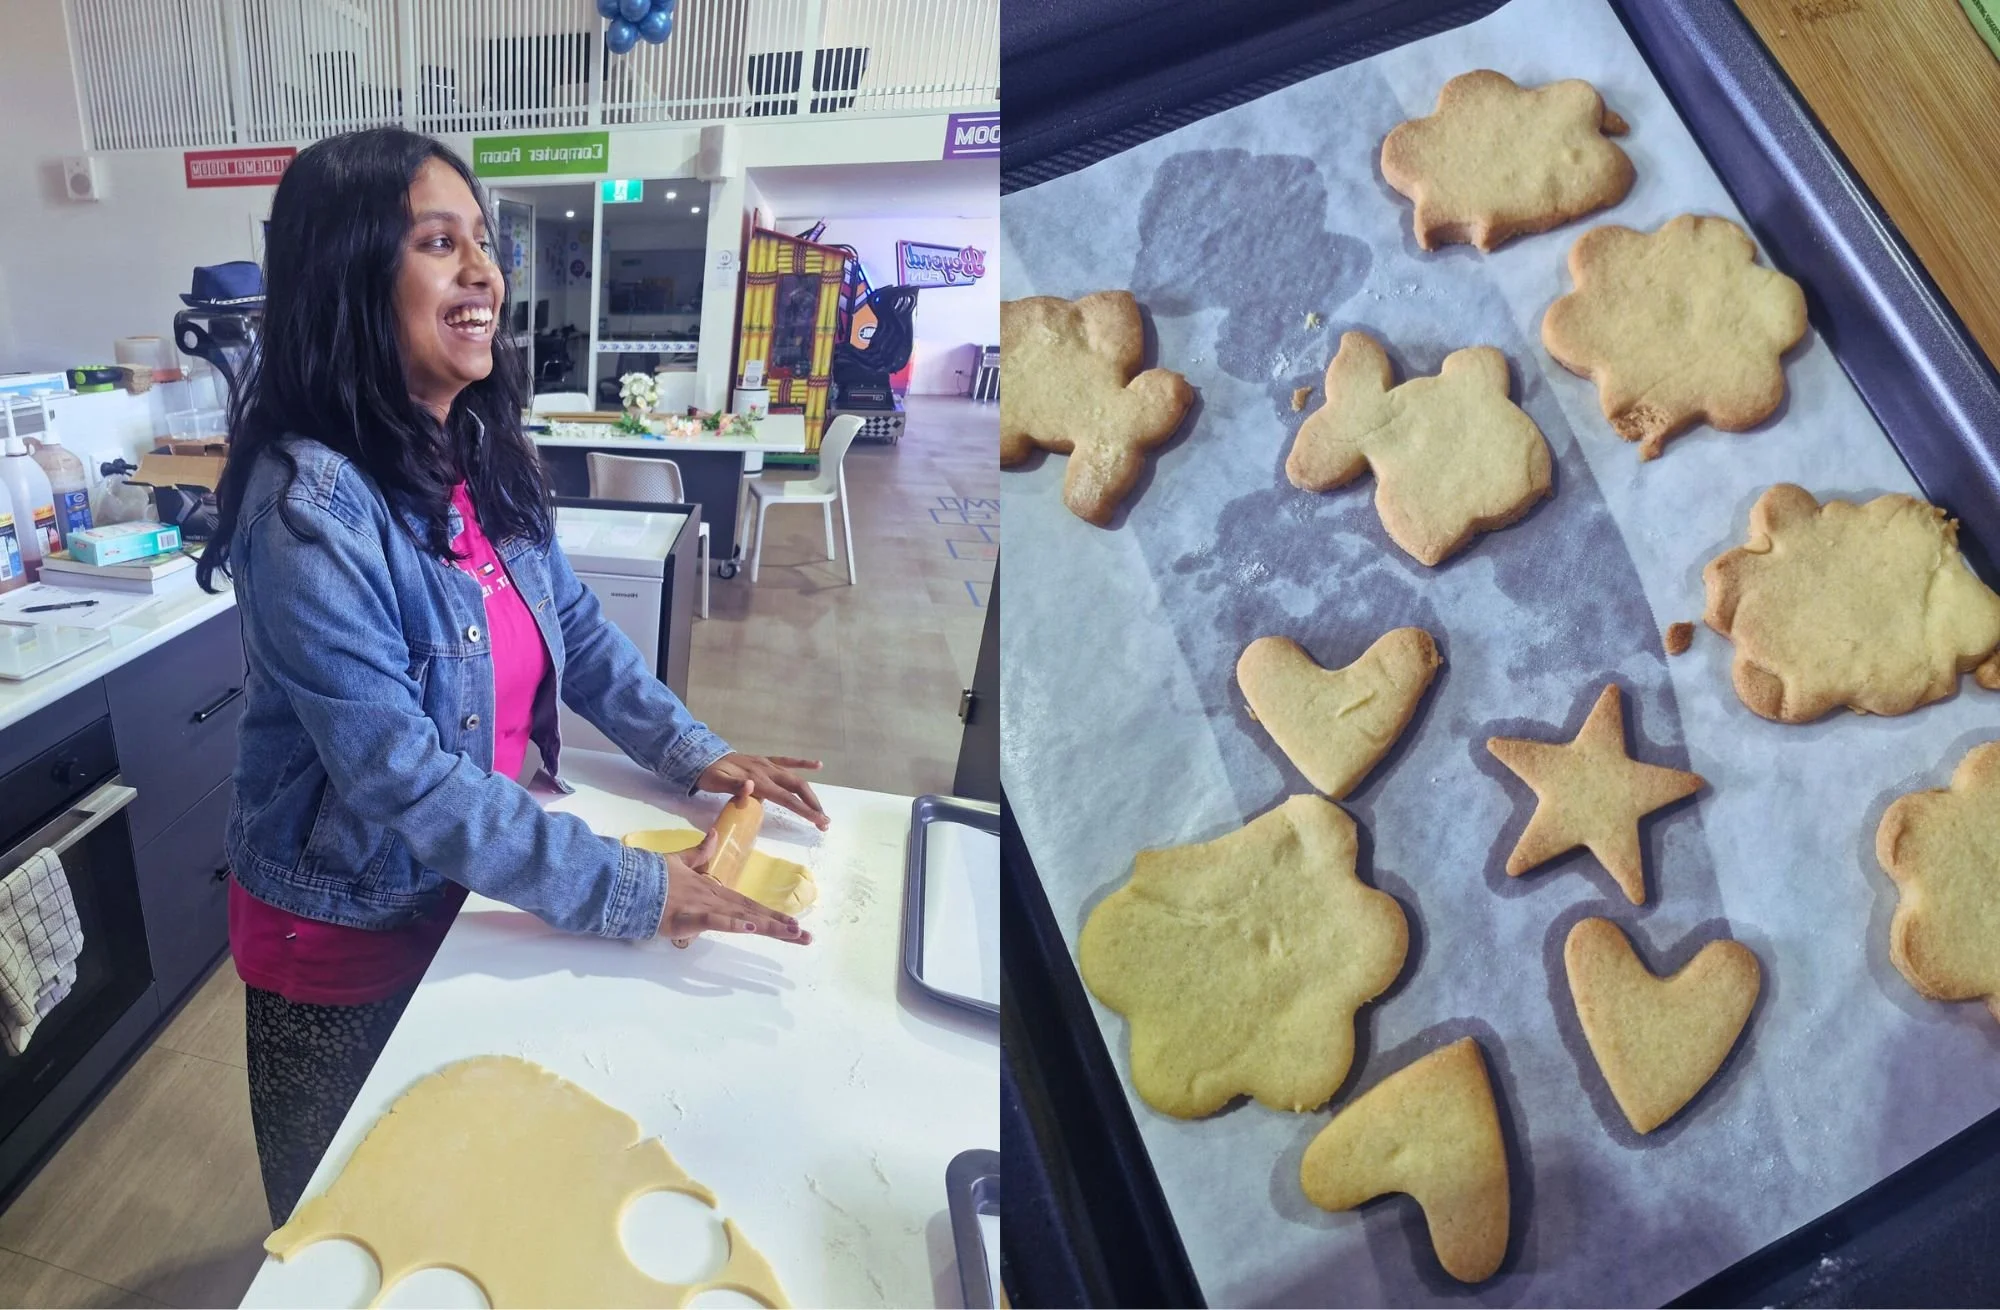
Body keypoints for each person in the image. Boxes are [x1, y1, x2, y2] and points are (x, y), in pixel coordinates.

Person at [196, 127, 828, 1226]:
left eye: (482, 242)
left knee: (464, 1199)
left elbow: (573, 627)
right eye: (441, 243)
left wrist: (690, 747)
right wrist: (629, 887)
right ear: (351, 275)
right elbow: (398, 773)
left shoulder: (471, 450)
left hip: (471, 887)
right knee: (350, 1220)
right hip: (346, 925)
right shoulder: (310, 509)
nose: (483, 271)